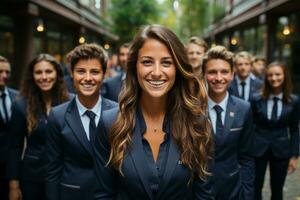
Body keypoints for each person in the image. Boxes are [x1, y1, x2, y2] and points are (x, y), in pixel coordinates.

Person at [94, 24, 214, 200]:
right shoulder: (110, 123)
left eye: (166, 62)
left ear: (178, 68)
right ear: (135, 66)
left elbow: (205, 195)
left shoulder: (198, 123)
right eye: (147, 62)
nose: (157, 72)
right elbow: (104, 195)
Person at [46, 43, 117, 200]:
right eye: (80, 71)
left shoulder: (119, 112)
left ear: (104, 74)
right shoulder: (57, 116)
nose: (87, 78)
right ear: (71, 73)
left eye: (95, 72)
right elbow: (53, 169)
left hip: (111, 193)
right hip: (72, 194)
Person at [7, 54, 70, 200]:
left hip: (64, 174)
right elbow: (14, 147)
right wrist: (13, 186)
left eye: (48, 71)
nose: (44, 77)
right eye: (38, 72)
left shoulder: (70, 102)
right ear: (32, 76)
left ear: (57, 74)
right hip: (33, 177)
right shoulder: (21, 105)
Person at [202, 46, 254, 200]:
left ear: (232, 74)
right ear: (204, 74)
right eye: (212, 72)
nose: (219, 78)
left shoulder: (244, 109)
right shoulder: (192, 109)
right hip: (199, 190)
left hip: (233, 189)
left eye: (224, 72)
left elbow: (247, 157)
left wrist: (248, 194)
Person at [251, 62, 299, 200]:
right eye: (270, 75)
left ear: (285, 76)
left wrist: (294, 156)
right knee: (255, 187)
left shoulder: (294, 101)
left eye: (277, 74)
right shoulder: (256, 99)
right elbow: (250, 126)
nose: (274, 78)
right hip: (258, 149)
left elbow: (295, 130)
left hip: (281, 150)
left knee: (277, 190)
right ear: (266, 77)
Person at [0, 56, 18, 200]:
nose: (4, 75)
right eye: (0, 72)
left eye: (7, 72)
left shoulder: (17, 96)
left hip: (13, 165)